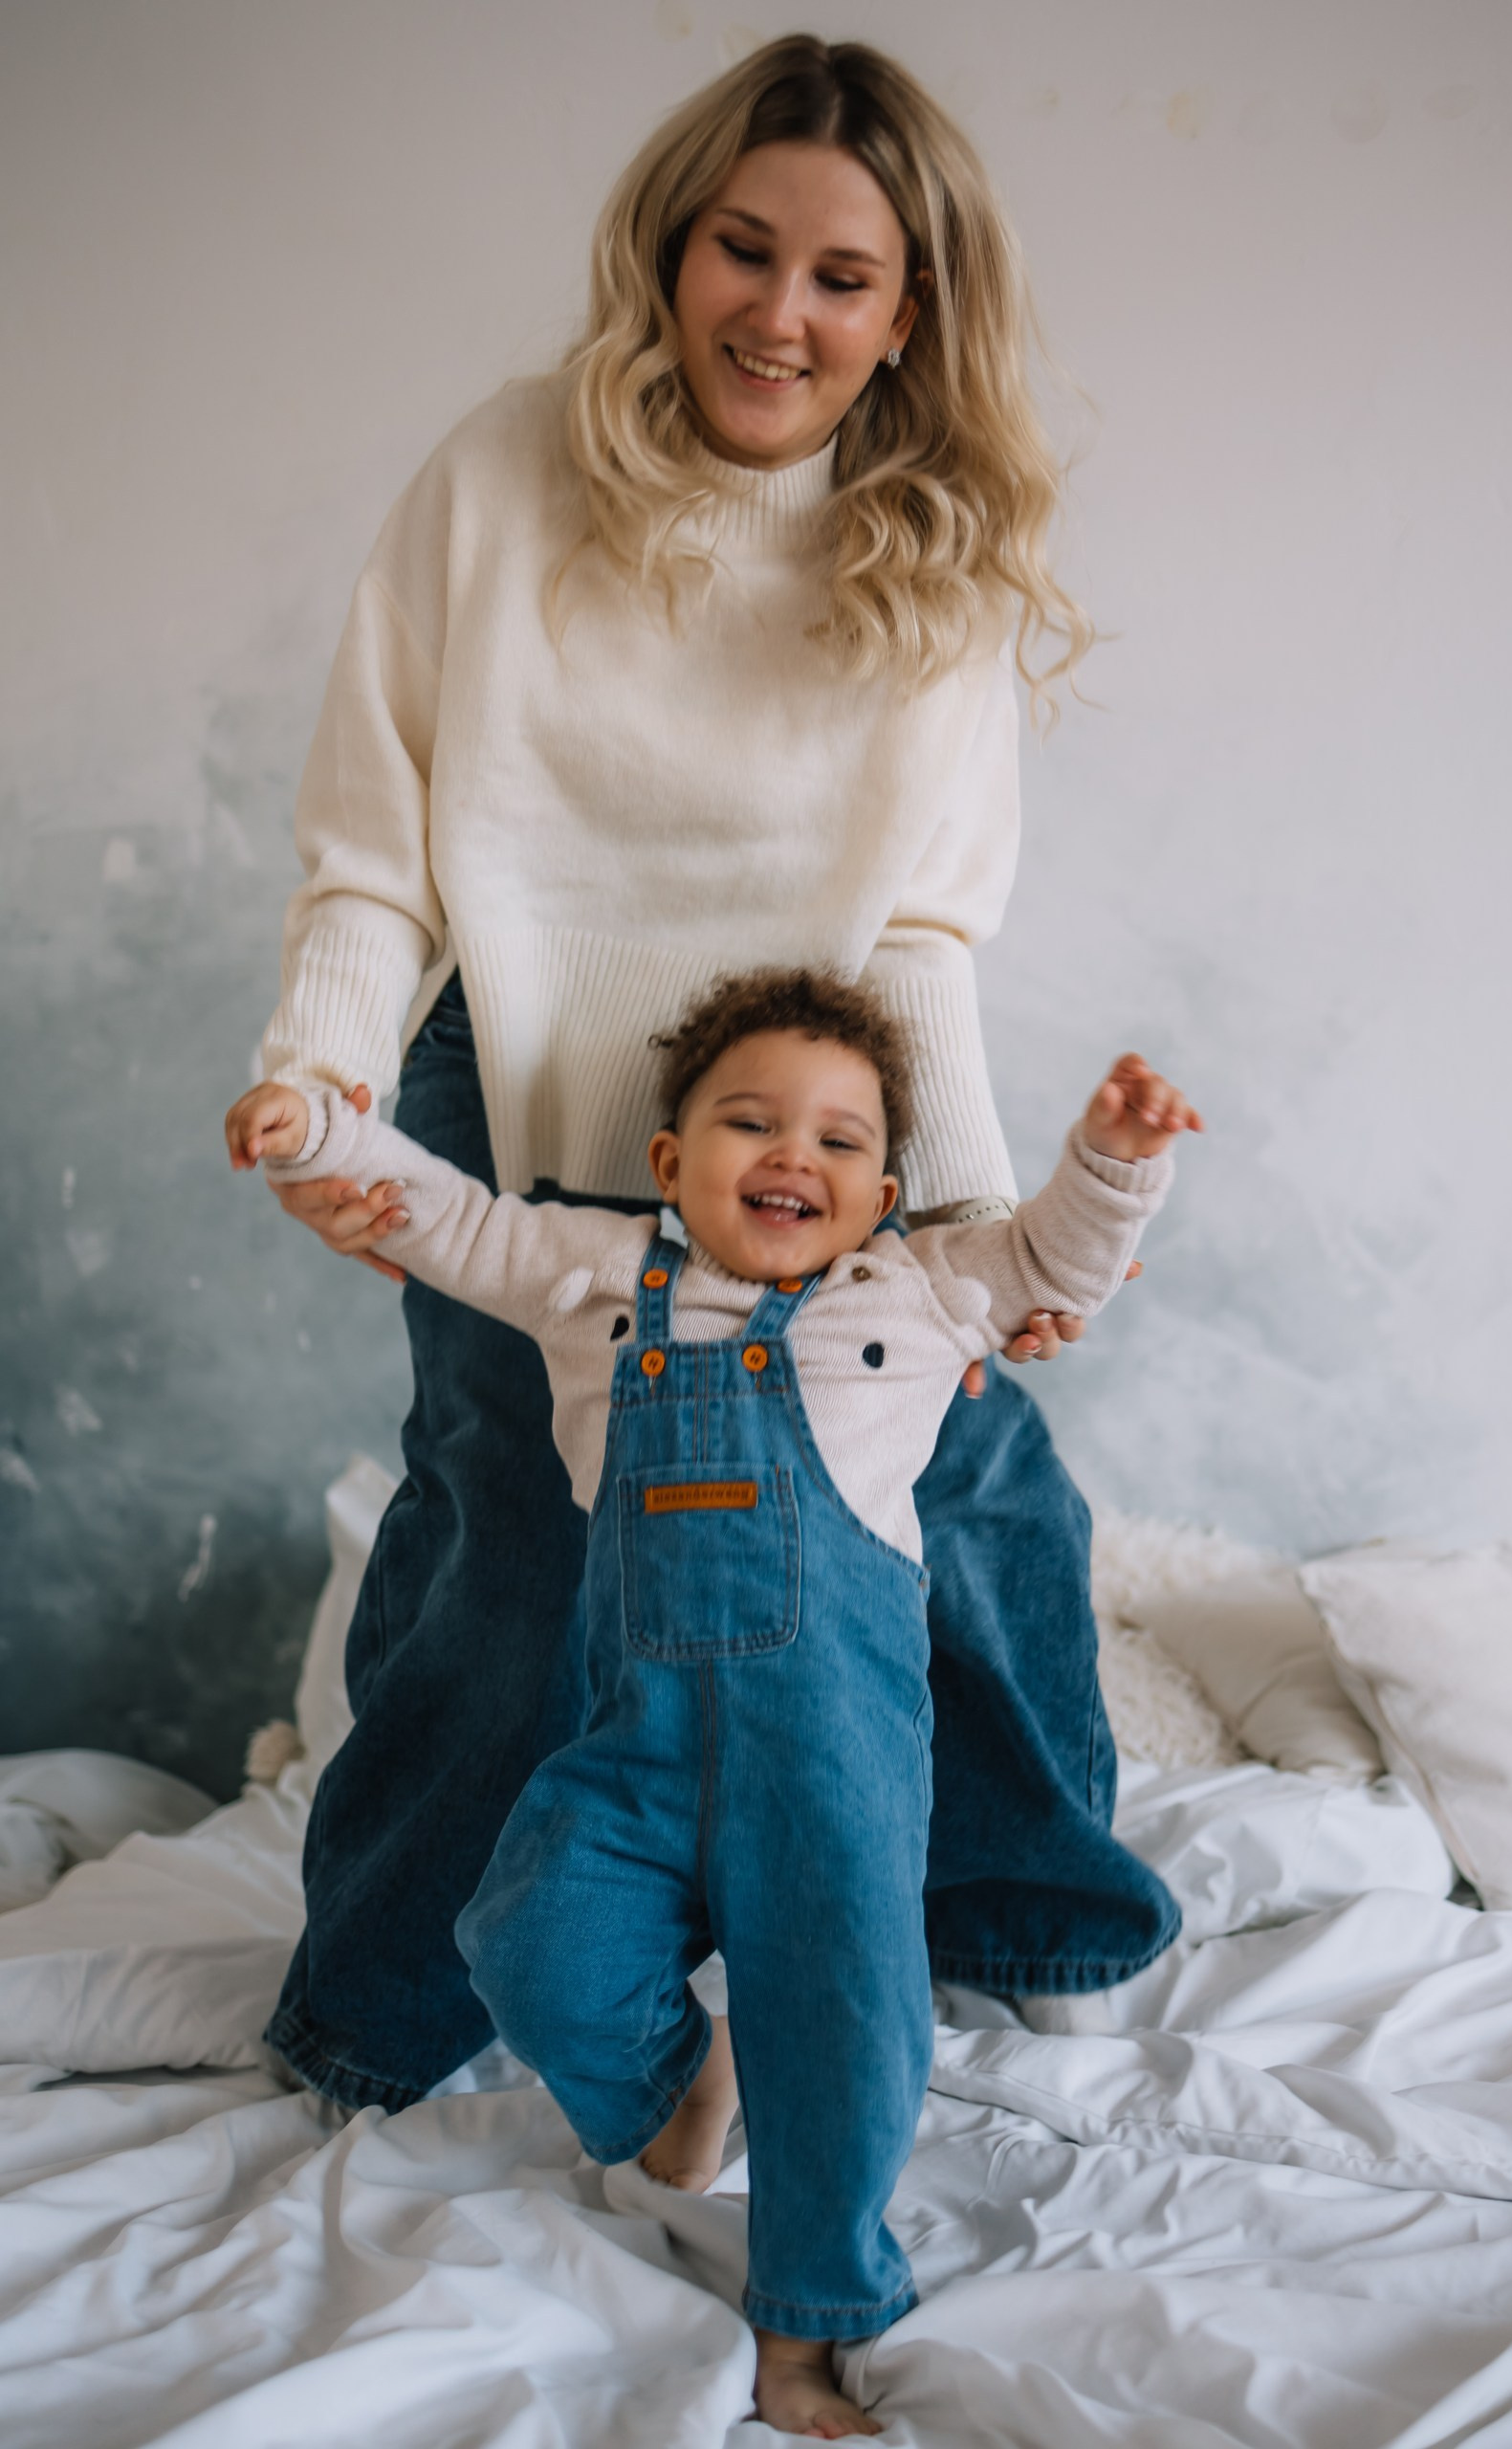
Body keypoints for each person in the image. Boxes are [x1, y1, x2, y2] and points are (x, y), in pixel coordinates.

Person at [234, 33, 1179, 2139]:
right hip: (515, 1076)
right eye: (743, 251)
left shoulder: (929, 545)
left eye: (843, 277)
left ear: (907, 312)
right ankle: (376, 2009)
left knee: (971, 1490)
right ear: (669, 251)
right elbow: (377, 852)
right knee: (515, 1534)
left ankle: (1032, 1920)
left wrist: (970, 1219)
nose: (780, 312)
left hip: (817, 1117)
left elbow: (915, 934)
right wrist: (321, 1084)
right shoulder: (499, 475)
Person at [228, 966, 1200, 2438]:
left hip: (832, 1779)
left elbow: (1054, 1259)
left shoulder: (914, 1295)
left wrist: (1117, 1158)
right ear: (672, 1162)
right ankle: (681, 2086)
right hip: (634, 1756)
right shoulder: (593, 1279)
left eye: (840, 1140)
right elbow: (450, 1217)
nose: (794, 1154)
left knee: (843, 2039)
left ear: (884, 1196)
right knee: (527, 1939)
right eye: (752, 1123)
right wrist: (316, 1132)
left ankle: (808, 2325)